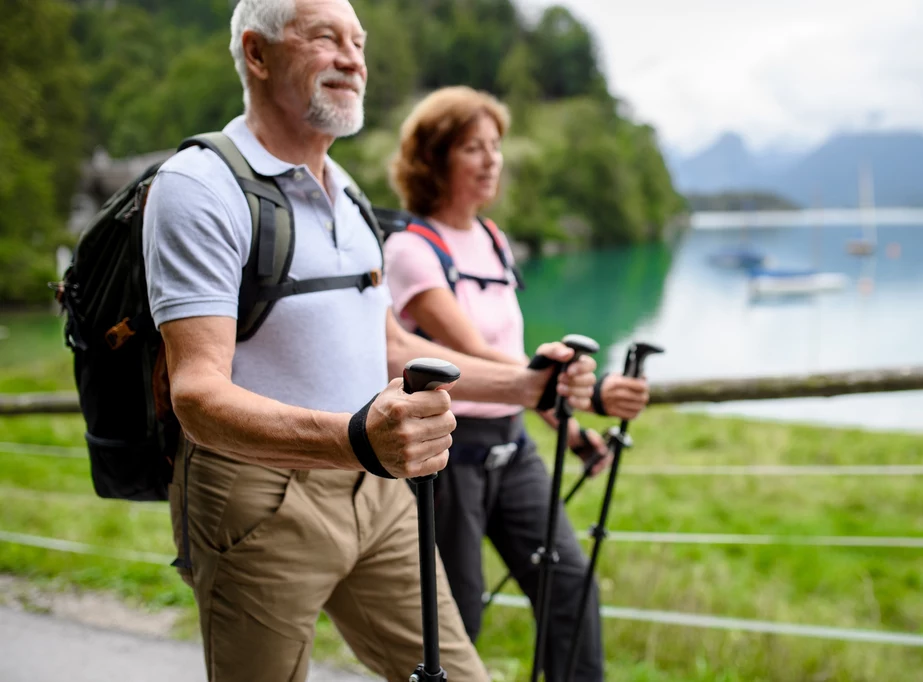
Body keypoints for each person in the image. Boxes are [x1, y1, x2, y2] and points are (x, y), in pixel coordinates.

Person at [141, 2, 598, 681]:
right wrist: (357, 439)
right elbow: (197, 395)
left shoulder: (349, 195)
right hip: (260, 498)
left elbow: (386, 346)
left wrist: (530, 385)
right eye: (325, 38)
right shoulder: (199, 188)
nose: (354, 59)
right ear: (257, 55)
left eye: (359, 41)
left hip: (378, 492)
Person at [383, 86, 651, 681]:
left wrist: (574, 431)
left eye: (495, 147)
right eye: (472, 148)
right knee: (455, 619)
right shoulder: (410, 248)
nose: (491, 160)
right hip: (447, 453)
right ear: (433, 159)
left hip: (514, 443)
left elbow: (513, 369)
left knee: (570, 588)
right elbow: (471, 353)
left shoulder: (495, 240)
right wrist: (585, 389)